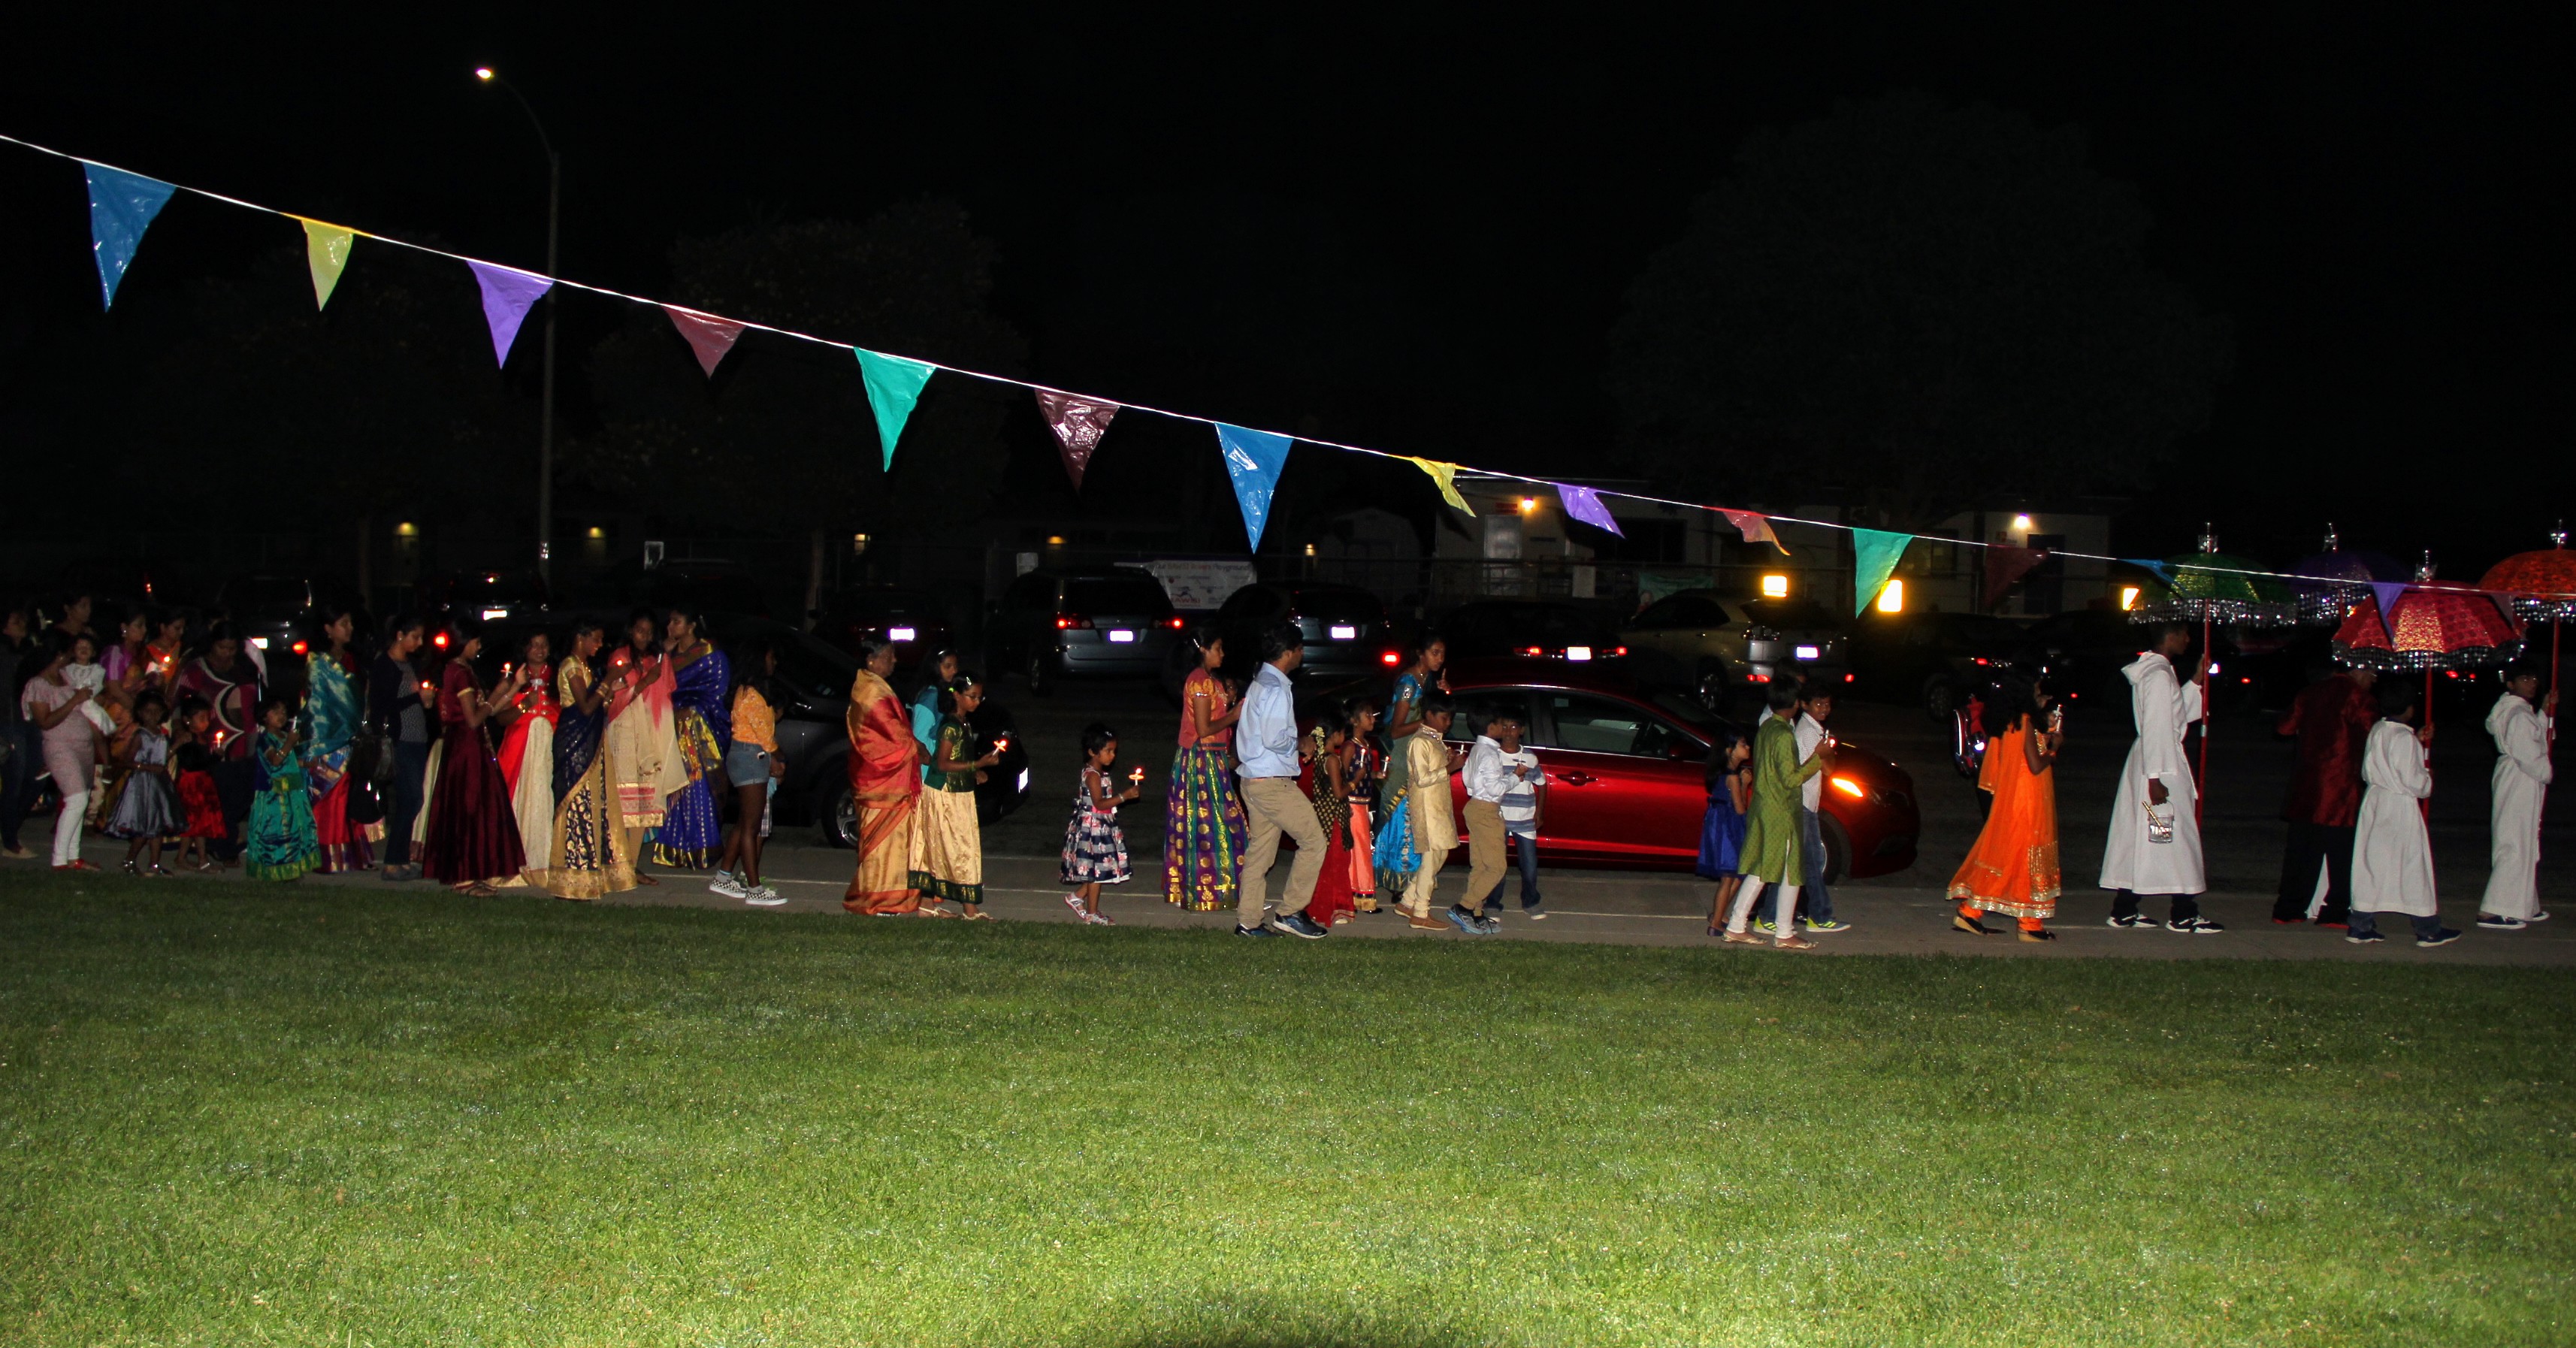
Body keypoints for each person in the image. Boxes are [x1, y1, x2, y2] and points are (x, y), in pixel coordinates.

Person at [2099, 621, 2222, 933]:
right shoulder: (2156, 675)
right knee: (2177, 837)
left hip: (2156, 760)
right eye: (2183, 634)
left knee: (2147, 836)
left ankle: (2125, 908)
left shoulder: (2160, 672)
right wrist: (2155, 777)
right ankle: (2184, 912)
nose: (2188, 640)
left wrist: (2196, 680)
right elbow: (2156, 727)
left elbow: (2174, 714)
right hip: (2160, 763)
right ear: (2170, 636)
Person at [1949, 671, 2065, 941]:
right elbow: (2035, 765)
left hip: (2017, 796)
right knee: (2028, 856)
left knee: (2009, 854)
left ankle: (1971, 912)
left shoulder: (2009, 722)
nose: (2041, 696)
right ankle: (2029, 924)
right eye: (2037, 692)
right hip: (2029, 798)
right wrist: (2054, 749)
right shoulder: (2024, 722)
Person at [1719, 681, 1835, 951]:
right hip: (1780, 811)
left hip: (1767, 807)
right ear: (1795, 705)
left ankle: (1767, 928)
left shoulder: (1768, 728)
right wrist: (1817, 759)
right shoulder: (1783, 734)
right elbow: (1791, 778)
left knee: (1778, 870)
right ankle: (1764, 928)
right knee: (1775, 871)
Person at [1234, 621, 1329, 939]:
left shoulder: (1260, 682)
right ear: (1288, 653)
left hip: (1255, 778)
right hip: (1271, 782)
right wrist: (1302, 743)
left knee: (1261, 852)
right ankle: (1290, 912)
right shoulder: (1275, 688)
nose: (1302, 654)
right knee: (1314, 841)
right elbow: (1275, 737)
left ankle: (1248, 921)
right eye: (1300, 649)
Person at [419, 624, 528, 895]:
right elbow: (473, 719)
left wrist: (514, 686)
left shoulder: (462, 671)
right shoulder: (458, 672)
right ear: (463, 642)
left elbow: (487, 712)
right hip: (466, 749)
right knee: (467, 811)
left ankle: (471, 872)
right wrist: (495, 694)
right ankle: (463, 878)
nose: (478, 647)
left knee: (478, 810)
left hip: (473, 747)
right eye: (475, 641)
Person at [2348, 680, 2458, 947]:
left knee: (2372, 864)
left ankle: (2360, 924)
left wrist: (2417, 742)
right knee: (2412, 864)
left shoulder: (2379, 729)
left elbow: (2375, 765)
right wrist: (2427, 777)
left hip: (2376, 802)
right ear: (2409, 708)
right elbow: (2414, 782)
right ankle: (2428, 928)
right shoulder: (2403, 738)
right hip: (2399, 806)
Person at [2272, 665, 2377, 926]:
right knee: (2342, 853)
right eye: (2373, 676)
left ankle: (2289, 908)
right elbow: (2375, 733)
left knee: (2301, 850)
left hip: (2307, 785)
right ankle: (2337, 909)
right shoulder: (2358, 697)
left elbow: (2285, 727)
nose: (2373, 682)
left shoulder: (2309, 693)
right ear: (2361, 672)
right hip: (2341, 789)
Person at [544, 621, 636, 901]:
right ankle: (571, 878)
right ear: (580, 638)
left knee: (592, 803)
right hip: (575, 744)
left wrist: (610, 688)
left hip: (590, 742)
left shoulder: (584, 668)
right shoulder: (571, 666)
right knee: (576, 805)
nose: (598, 646)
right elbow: (584, 707)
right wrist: (608, 678)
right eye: (595, 640)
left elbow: (597, 707)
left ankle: (587, 875)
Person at [841, 635, 926, 916]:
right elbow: (894, 735)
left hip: (880, 778)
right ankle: (881, 900)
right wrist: (918, 748)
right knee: (884, 846)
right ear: (871, 660)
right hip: (881, 779)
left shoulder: (870, 685)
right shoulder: (871, 692)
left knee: (892, 844)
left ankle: (891, 899)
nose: (895, 661)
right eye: (889, 657)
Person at [1166, 628, 1247, 911]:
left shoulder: (1211, 682)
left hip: (1213, 759)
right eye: (1218, 648)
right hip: (1201, 762)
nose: (1222, 654)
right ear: (1204, 649)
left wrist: (1231, 705)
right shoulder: (1200, 681)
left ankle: (1216, 892)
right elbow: (1204, 729)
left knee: (1216, 827)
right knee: (1213, 827)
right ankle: (1204, 892)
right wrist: (1233, 715)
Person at [912, 672, 999, 919]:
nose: (977, 702)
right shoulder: (951, 726)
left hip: (958, 793)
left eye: (980, 698)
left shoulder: (963, 723)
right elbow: (941, 763)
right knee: (957, 847)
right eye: (972, 697)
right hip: (943, 794)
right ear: (958, 696)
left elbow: (958, 760)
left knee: (947, 846)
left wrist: (975, 772)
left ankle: (930, 905)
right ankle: (967, 909)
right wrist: (976, 764)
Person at [605, 610, 683, 883]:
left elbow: (666, 690)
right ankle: (616, 863)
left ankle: (631, 865)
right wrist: (643, 682)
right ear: (630, 631)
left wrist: (665, 657)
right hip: (624, 732)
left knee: (643, 801)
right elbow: (614, 701)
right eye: (640, 630)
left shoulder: (654, 659)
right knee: (622, 801)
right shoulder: (620, 658)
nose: (645, 636)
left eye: (649, 632)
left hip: (647, 734)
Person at [2478, 663, 2556, 929]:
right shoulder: (2518, 714)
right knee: (2514, 841)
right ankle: (2496, 908)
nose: (2531, 683)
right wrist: (2546, 772)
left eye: (2534, 678)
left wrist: (2545, 712)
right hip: (2520, 777)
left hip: (2515, 777)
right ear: (2510, 684)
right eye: (2524, 679)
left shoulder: (2517, 710)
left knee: (2523, 839)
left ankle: (2524, 903)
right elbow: (2529, 753)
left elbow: (2536, 735)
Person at [298, 606, 374, 874]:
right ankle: (326, 857)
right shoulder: (318, 664)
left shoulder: (352, 660)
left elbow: (358, 701)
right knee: (331, 797)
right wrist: (317, 746)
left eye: (351, 623)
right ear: (328, 630)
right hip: (329, 742)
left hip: (352, 739)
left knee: (347, 798)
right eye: (343, 623)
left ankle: (351, 856)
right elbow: (315, 707)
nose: (350, 628)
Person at [653, 609, 731, 869]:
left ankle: (703, 848)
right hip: (670, 728)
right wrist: (663, 654)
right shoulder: (668, 655)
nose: (671, 625)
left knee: (697, 786)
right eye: (670, 620)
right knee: (674, 788)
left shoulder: (710, 655)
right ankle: (674, 850)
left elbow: (716, 694)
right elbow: (654, 685)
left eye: (677, 621)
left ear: (691, 626)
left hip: (698, 730)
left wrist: (693, 710)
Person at [177, 624, 262, 860]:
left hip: (244, 740)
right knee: (221, 794)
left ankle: (225, 839)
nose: (227, 652)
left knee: (243, 793)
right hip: (212, 743)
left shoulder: (244, 669)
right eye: (222, 647)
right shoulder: (197, 670)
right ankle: (222, 844)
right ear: (212, 645)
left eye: (232, 648)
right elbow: (182, 703)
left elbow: (254, 702)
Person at [19, 633, 101, 871]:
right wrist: (74, 700)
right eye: (70, 651)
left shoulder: (65, 676)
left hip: (82, 746)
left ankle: (73, 857)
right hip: (59, 746)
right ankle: (58, 861)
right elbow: (44, 721)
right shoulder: (38, 684)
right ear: (59, 655)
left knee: (79, 799)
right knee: (77, 798)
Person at [715, 639, 787, 905]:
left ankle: (723, 876)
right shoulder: (753, 696)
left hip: (745, 755)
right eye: (770, 657)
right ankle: (754, 889)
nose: (774, 662)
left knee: (745, 822)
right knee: (752, 827)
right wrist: (780, 758)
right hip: (751, 757)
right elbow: (766, 738)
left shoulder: (746, 692)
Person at [1391, 693, 1468, 932]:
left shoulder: (1435, 740)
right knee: (1432, 856)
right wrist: (1450, 767)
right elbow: (1422, 779)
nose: (1448, 723)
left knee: (1440, 854)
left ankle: (1408, 902)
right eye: (1444, 717)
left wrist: (1447, 760)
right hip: (1425, 805)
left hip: (1437, 804)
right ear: (1429, 715)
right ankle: (1420, 912)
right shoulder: (1420, 741)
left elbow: (1436, 770)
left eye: (1450, 718)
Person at [368, 616, 437, 881]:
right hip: (399, 741)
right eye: (415, 637)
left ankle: (401, 859)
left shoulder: (410, 664)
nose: (419, 643)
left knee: (412, 800)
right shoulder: (385, 665)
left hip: (416, 739)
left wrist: (425, 701)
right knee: (410, 800)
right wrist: (414, 698)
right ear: (400, 635)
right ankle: (392, 862)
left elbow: (412, 699)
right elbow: (382, 706)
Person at [1467, 708, 1548, 923]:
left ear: (1522, 730)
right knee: (1497, 864)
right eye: (1505, 727)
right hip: (1499, 817)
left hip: (1524, 818)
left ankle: (1531, 900)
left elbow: (1542, 783)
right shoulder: (1493, 754)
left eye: (1514, 727)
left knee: (1529, 865)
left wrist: (1539, 812)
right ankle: (1493, 903)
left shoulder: (1529, 757)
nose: (1509, 732)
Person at [493, 631, 559, 887]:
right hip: (518, 748)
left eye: (544, 645)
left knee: (542, 800)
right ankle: (512, 862)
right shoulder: (514, 678)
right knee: (518, 800)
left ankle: (541, 862)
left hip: (546, 748)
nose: (539, 650)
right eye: (534, 645)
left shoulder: (556, 677)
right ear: (525, 649)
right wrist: (524, 706)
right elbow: (499, 718)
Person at [1061, 721, 1139, 925]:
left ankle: (1076, 897)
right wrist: (1125, 796)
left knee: (1100, 869)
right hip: (1092, 828)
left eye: (1114, 751)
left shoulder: (1100, 773)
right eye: (1108, 751)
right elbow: (1099, 803)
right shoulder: (1093, 776)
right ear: (1093, 752)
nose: (1112, 756)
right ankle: (1092, 913)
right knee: (1096, 872)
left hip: (1101, 825)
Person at [244, 697, 320, 881]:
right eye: (276, 711)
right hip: (275, 796)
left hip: (293, 794)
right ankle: (278, 869)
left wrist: (305, 763)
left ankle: (293, 868)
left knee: (296, 831)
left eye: (284, 712)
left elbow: (290, 761)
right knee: (279, 833)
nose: (282, 715)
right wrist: (289, 744)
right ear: (264, 717)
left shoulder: (286, 736)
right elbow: (276, 761)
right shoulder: (265, 740)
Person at [107, 689, 180, 875]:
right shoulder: (141, 735)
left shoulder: (161, 735)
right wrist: (146, 768)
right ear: (140, 713)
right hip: (143, 783)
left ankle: (154, 864)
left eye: (157, 711)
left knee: (157, 826)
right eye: (149, 711)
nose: (153, 715)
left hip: (158, 783)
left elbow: (162, 759)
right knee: (145, 826)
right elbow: (127, 760)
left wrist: (178, 745)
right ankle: (129, 860)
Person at [1302, 709, 1359, 927]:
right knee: (1335, 865)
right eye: (1343, 734)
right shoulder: (1332, 760)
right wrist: (1356, 780)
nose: (1343, 738)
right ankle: (1332, 907)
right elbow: (1338, 793)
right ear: (1335, 735)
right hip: (1332, 821)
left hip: (1328, 818)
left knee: (1330, 864)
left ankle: (1323, 907)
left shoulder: (1321, 757)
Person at [1698, 730, 1752, 936]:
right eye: (1743, 744)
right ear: (1730, 751)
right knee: (1730, 877)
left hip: (1721, 828)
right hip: (1729, 830)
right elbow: (1740, 809)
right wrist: (1745, 784)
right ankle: (1716, 924)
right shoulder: (1732, 778)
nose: (1747, 748)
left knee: (1736, 875)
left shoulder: (1722, 775)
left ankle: (1718, 915)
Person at [171, 696, 226, 872]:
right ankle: (201, 860)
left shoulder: (203, 738)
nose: (206, 722)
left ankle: (184, 857)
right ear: (187, 720)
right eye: (201, 718)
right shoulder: (188, 739)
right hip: (192, 786)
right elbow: (191, 764)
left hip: (202, 784)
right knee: (195, 824)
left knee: (197, 825)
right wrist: (215, 758)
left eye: (207, 718)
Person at [0, 606, 38, 860]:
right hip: (7, 721)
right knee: (14, 779)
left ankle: (9, 828)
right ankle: (10, 841)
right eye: (16, 619)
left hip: (29, 719)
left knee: (37, 777)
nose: (21, 624)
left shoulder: (28, 651)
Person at [1341, 697, 1384, 914]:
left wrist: (1375, 775)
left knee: (1363, 849)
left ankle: (1360, 893)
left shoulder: (1367, 745)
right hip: (1353, 804)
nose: (1372, 719)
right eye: (1367, 715)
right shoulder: (1350, 746)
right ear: (1354, 721)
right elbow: (1341, 776)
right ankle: (1358, 894)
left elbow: (1364, 773)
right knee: (1359, 850)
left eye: (1372, 715)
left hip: (1364, 803)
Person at [912, 648, 960, 784]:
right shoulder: (930, 697)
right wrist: (940, 755)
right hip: (929, 771)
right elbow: (919, 736)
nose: (954, 671)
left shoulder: (945, 692)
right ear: (935, 668)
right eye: (948, 666)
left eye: (955, 666)